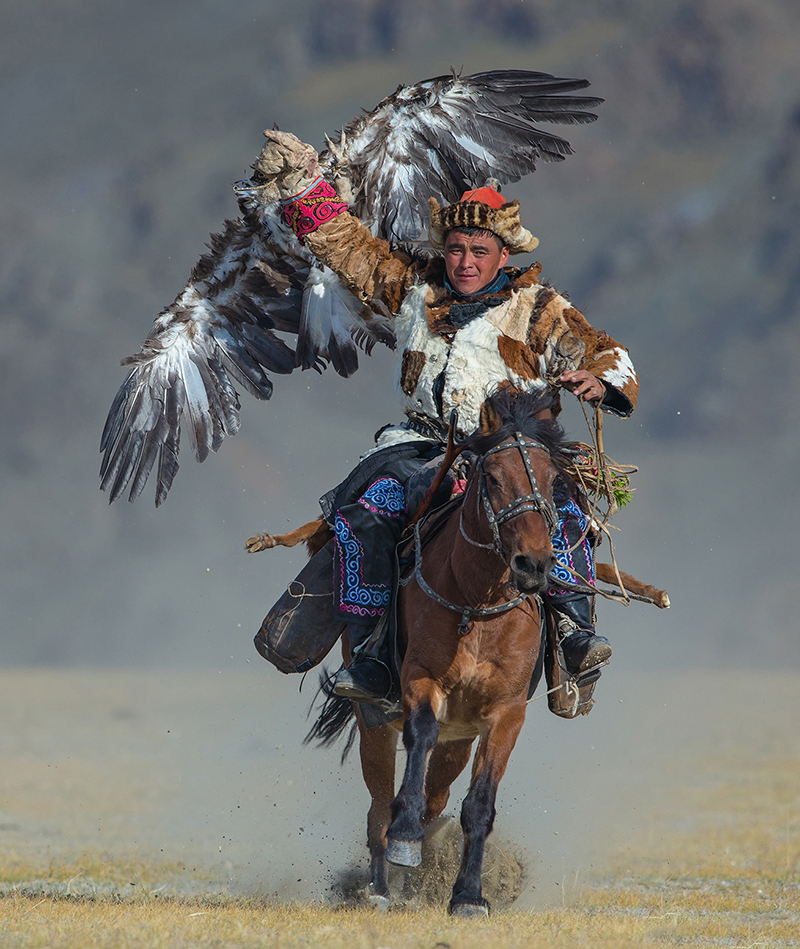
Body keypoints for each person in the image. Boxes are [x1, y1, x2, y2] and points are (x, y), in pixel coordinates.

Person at [258, 131, 639, 703]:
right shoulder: (413, 285)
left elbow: (607, 353)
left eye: (479, 252)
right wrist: (300, 185)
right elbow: (348, 248)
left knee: (562, 509)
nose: (465, 262)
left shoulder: (541, 309)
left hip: (512, 448)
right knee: (371, 512)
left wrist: (600, 380)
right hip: (417, 445)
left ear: (503, 256)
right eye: (457, 249)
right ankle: (371, 656)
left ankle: (572, 636)